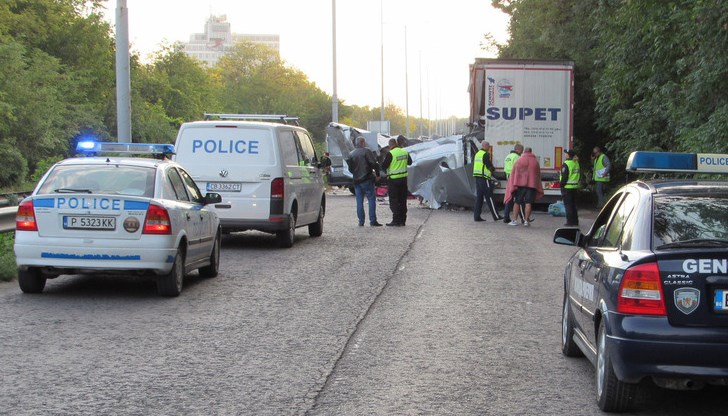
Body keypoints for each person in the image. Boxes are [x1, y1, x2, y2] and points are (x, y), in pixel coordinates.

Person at [346, 136, 382, 227]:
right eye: (364, 142)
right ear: (362, 143)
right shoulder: (367, 151)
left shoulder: (351, 154)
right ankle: (373, 221)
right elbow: (374, 164)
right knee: (371, 199)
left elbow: (350, 169)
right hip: (367, 179)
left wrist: (356, 174)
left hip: (357, 181)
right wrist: (377, 175)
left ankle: (361, 221)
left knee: (359, 201)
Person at [506, 147, 543, 227]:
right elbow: (537, 175)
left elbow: (514, 173)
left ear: (524, 152)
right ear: (531, 151)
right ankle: (526, 221)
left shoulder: (519, 160)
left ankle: (514, 220)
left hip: (520, 185)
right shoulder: (535, 162)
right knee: (528, 202)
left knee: (517, 202)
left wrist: (513, 183)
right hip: (531, 185)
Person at [382, 136, 412, 226]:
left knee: (394, 200)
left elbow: (384, 166)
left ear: (390, 145)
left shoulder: (390, 154)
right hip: (403, 180)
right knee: (402, 200)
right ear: (397, 144)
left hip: (393, 180)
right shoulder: (405, 152)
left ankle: (395, 220)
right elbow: (410, 162)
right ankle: (403, 220)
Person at [472, 141, 503, 222]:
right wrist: (493, 169)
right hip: (484, 178)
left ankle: (477, 216)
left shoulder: (477, 153)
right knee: (490, 197)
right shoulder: (485, 154)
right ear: (485, 146)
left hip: (477, 178)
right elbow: (489, 165)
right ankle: (496, 216)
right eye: (488, 146)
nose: (489, 148)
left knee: (479, 198)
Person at [502, 143, 524, 223]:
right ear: (518, 150)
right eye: (521, 150)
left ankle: (506, 216)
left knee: (509, 198)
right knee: (519, 199)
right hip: (515, 179)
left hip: (508, 178)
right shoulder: (517, 157)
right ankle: (523, 218)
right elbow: (519, 169)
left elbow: (505, 168)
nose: (522, 152)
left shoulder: (508, 156)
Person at [560, 149, 581, 227]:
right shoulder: (576, 163)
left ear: (568, 155)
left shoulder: (566, 164)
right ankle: (575, 221)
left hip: (567, 187)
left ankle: (569, 222)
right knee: (573, 205)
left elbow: (564, 177)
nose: (565, 154)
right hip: (575, 187)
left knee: (568, 205)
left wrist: (562, 185)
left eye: (566, 153)